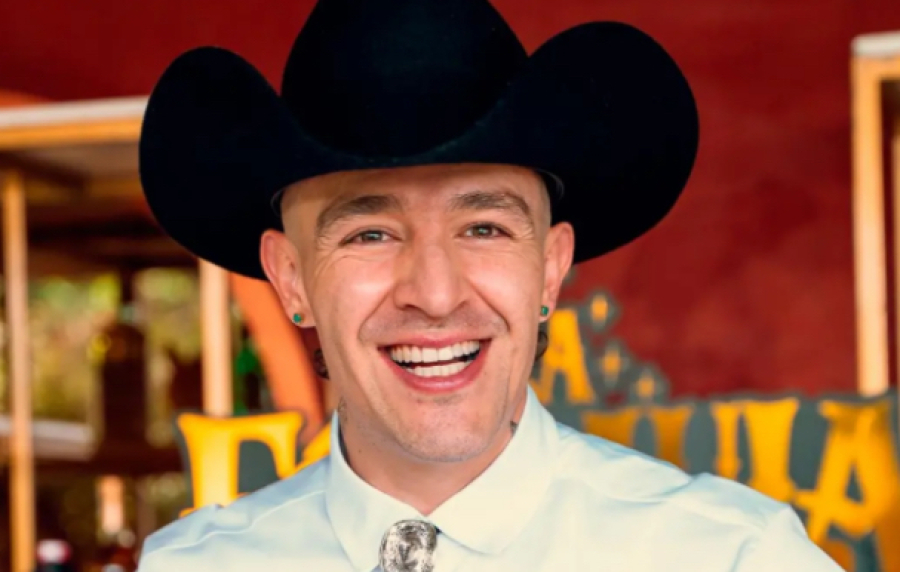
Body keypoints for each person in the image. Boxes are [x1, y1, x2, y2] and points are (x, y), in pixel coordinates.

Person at [135, 0, 842, 570]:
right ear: (291, 279)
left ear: (551, 268)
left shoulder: (731, 557)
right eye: (370, 234)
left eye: (484, 227)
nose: (436, 294)